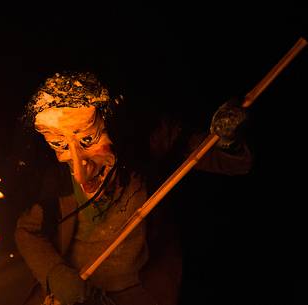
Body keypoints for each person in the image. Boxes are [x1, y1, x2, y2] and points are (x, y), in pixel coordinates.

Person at [13, 71, 252, 305]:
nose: (79, 169)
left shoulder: (146, 143)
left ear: (114, 125)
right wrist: (56, 275)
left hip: (134, 290)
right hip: (75, 293)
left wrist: (227, 140)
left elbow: (228, 161)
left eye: (88, 140)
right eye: (59, 145)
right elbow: (27, 231)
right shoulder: (54, 179)